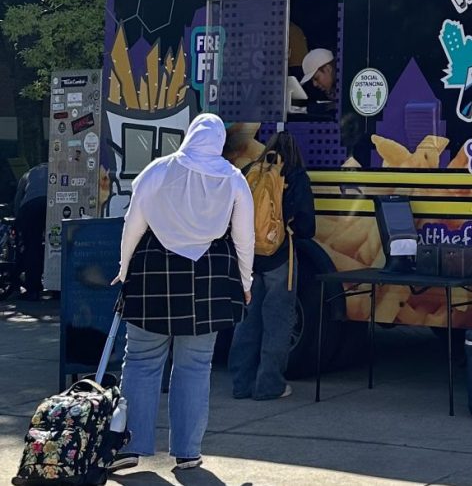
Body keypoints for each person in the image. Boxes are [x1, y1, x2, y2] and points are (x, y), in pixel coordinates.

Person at [108, 114, 254, 473]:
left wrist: (124, 269)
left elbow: (134, 226)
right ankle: (188, 452)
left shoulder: (156, 171)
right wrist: (246, 283)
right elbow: (243, 239)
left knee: (141, 361)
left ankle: (131, 445)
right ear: (218, 142)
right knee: (195, 365)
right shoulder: (233, 179)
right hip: (209, 276)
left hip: (153, 273)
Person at [229, 131, 316, 400]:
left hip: (249, 257)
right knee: (277, 322)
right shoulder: (295, 176)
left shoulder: (249, 171)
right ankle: (269, 385)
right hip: (280, 258)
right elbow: (306, 227)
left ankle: (241, 385)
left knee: (247, 321)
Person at [13, 163, 47, 298]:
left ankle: (33, 288)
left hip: (29, 206)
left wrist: (17, 219)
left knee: (32, 246)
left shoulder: (28, 173)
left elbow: (18, 197)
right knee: (55, 244)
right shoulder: (56, 169)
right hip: (52, 204)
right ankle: (57, 288)